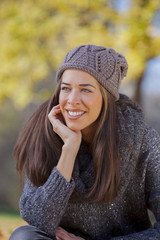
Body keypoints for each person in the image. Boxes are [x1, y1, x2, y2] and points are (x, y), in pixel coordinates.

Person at [9, 45, 160, 240]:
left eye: (86, 90)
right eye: (66, 88)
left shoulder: (141, 140)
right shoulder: (44, 132)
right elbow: (38, 219)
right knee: (24, 236)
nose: (72, 100)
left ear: (106, 98)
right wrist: (69, 149)